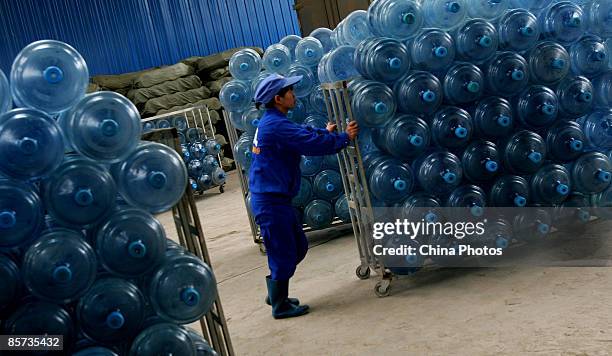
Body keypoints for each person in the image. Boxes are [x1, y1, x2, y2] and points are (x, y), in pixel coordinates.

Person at [249, 73, 359, 319]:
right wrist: (343, 138)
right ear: (278, 98)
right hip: (270, 201)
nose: (293, 94)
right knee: (283, 251)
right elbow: (309, 144)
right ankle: (280, 305)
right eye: (289, 91)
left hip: (275, 198)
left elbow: (301, 133)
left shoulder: (273, 120)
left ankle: (276, 293)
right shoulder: (275, 125)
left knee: (297, 246)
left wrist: (323, 131)